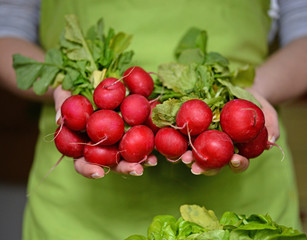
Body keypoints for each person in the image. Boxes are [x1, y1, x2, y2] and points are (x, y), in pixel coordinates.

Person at [0, 0, 307, 239]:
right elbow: (7, 31)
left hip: (246, 195)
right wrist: (61, 88)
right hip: (79, 213)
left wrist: (254, 91)